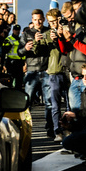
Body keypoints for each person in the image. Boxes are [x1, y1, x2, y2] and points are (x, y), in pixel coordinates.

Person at [35, 8, 69, 143]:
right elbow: (38, 51)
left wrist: (60, 37)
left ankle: (68, 128)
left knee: (69, 105)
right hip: (54, 72)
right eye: (50, 22)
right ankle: (57, 131)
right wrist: (37, 41)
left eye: (54, 21)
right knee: (55, 105)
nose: (52, 24)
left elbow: (67, 48)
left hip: (67, 70)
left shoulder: (67, 30)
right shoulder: (48, 34)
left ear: (59, 19)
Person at [18, 9, 54, 137]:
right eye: (35, 19)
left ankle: (50, 128)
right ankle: (25, 128)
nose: (38, 22)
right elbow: (19, 52)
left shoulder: (49, 32)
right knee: (27, 102)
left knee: (49, 102)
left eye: (40, 19)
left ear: (43, 19)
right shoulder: (27, 33)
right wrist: (25, 48)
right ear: (32, 20)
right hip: (32, 71)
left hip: (46, 69)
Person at [2, 24, 25, 88]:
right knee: (10, 79)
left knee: (19, 80)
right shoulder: (8, 39)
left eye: (18, 30)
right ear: (13, 30)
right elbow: (4, 50)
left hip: (19, 62)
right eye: (15, 30)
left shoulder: (21, 39)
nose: (17, 31)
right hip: (11, 62)